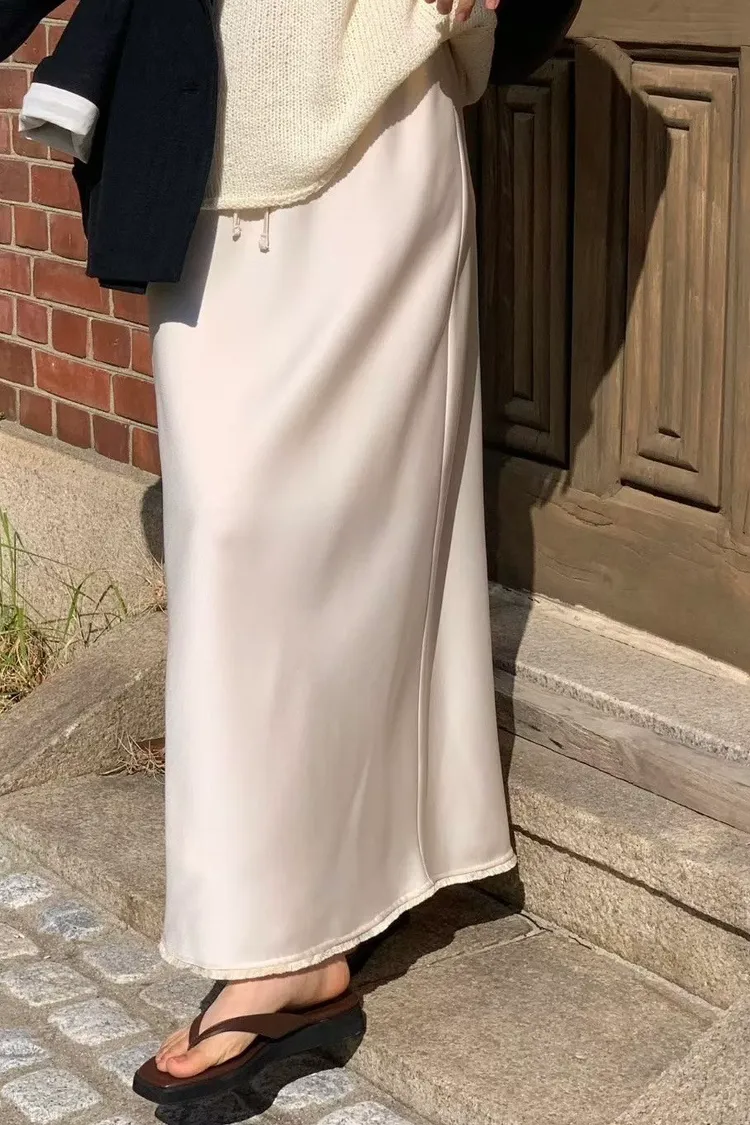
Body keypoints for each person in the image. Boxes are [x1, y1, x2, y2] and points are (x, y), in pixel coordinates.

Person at [1, 0, 580, 1107]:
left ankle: (285, 946)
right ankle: (332, 890)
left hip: (377, 139)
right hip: (207, 161)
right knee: (231, 538)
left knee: (364, 536)